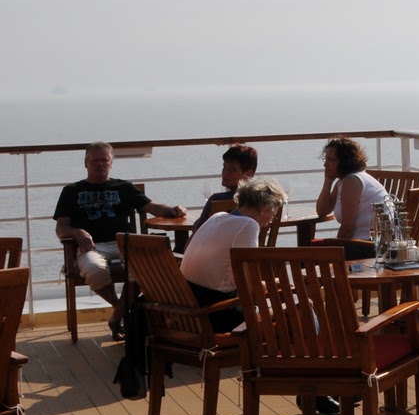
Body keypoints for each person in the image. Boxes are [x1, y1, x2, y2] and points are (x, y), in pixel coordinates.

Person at [54, 141, 187, 338]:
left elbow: (152, 207)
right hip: (92, 246)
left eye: (104, 160)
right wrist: (77, 232)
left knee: (144, 269)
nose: (100, 164)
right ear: (85, 163)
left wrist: (174, 209)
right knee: (95, 270)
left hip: (125, 242)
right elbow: (61, 229)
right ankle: (123, 312)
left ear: (111, 163)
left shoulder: (124, 187)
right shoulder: (72, 191)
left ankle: (116, 317)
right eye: (95, 160)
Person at [180, 176, 288, 334]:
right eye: (274, 213)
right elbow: (251, 285)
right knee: (296, 312)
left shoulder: (217, 217)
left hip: (190, 307)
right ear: (266, 208)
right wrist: (275, 284)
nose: (271, 220)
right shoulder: (248, 225)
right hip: (215, 312)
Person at [313, 136, 389, 259]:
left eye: (331, 160)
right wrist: (328, 182)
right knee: (310, 251)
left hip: (370, 246)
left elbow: (348, 228)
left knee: (308, 254)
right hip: (364, 243)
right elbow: (322, 211)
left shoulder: (352, 181)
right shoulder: (343, 181)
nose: (325, 164)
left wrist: (335, 253)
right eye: (325, 159)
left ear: (345, 161)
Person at [192, 143, 258, 231]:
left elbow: (198, 231)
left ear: (248, 174)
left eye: (232, 169)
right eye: (224, 167)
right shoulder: (261, 200)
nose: (225, 172)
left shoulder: (217, 200)